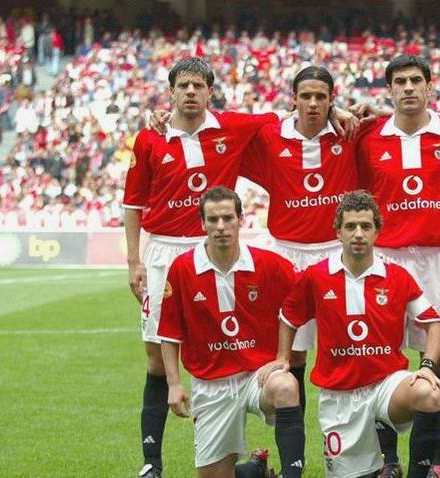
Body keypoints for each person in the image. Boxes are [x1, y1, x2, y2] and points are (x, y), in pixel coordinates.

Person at [123, 57, 277, 478]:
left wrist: (333, 109)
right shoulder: (149, 139)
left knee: (230, 352)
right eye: (183, 86)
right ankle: (151, 464)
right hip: (164, 255)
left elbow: (292, 114)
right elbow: (133, 205)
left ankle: (253, 457)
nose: (191, 93)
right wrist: (134, 260)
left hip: (216, 250)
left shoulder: (233, 126)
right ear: (170, 92)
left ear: (211, 92)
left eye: (198, 86)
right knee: (157, 361)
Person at [278, 190, 440, 478]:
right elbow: (288, 316)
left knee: (427, 393)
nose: (358, 234)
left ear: (377, 231)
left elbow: (434, 324)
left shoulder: (397, 276)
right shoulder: (316, 277)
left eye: (366, 226)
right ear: (338, 232)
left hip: (386, 386)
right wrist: (282, 358)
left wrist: (428, 367)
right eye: (351, 227)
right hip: (340, 396)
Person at [356, 54, 440, 477]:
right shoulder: (369, 137)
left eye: (415, 80)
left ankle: (436, 461)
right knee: (380, 356)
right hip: (387, 258)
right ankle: (387, 460)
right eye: (399, 81)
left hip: (438, 258)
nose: (407, 88)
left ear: (428, 87)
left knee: (438, 357)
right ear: (388, 90)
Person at [158, 186, 305, 478]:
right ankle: (255, 470)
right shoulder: (183, 268)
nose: (221, 227)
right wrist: (174, 384)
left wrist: (282, 355)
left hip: (256, 376)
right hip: (211, 383)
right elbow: (169, 332)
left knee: (287, 386)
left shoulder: (268, 263)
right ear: (202, 223)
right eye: (213, 220)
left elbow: (304, 297)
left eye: (227, 218)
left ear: (241, 219)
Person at [240, 65, 361, 409]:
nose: (312, 104)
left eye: (321, 97)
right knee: (291, 357)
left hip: (336, 253)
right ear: (293, 100)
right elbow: (226, 128)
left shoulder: (349, 133)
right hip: (287, 256)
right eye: (305, 96)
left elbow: (403, 117)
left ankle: (361, 450)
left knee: (350, 349)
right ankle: (293, 458)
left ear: (332, 99)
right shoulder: (270, 136)